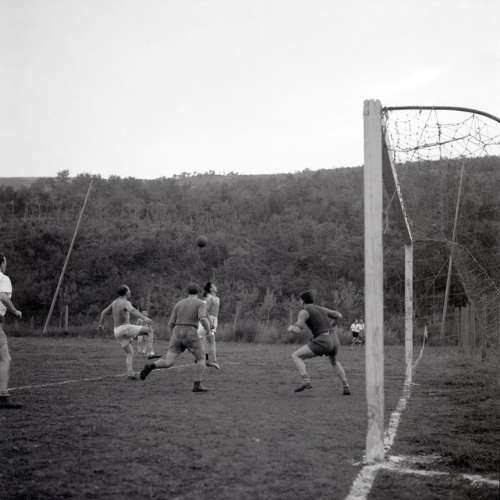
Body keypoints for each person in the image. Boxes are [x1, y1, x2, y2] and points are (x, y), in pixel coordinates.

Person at [140, 283, 211, 392]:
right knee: (201, 358)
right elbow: (202, 318)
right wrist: (208, 330)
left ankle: (150, 366)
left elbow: (170, 323)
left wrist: (172, 338)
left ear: (187, 292)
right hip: (190, 331)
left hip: (177, 332)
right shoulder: (201, 303)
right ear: (199, 292)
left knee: (168, 362)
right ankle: (197, 385)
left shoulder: (179, 303)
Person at [288, 290, 351, 395]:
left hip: (323, 340)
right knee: (334, 361)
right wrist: (332, 324)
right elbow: (339, 315)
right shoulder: (321, 309)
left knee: (296, 356)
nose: (299, 302)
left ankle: (306, 380)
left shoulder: (304, 311)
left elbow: (298, 329)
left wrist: (291, 328)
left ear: (303, 301)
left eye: (299, 300)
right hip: (334, 339)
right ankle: (346, 385)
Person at [98, 285, 152, 379]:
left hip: (116, 331)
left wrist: (100, 324)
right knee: (148, 330)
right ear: (126, 292)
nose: (130, 291)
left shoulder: (114, 302)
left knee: (130, 352)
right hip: (125, 328)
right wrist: (144, 318)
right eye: (129, 290)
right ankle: (148, 352)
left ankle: (130, 373)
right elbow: (133, 310)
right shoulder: (126, 302)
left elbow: (103, 312)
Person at [0, 253, 23, 409]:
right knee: (5, 359)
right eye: (5, 262)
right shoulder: (3, 278)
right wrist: (15, 311)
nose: (6, 265)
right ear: (2, 263)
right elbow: (2, 296)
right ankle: (2, 396)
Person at [197, 282, 221, 369]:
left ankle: (203, 358)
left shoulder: (216, 298)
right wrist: (210, 322)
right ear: (211, 289)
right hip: (209, 319)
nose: (216, 287)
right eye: (214, 286)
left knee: (207, 340)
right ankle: (212, 361)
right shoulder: (209, 298)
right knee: (210, 340)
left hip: (213, 319)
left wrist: (213, 322)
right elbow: (205, 311)